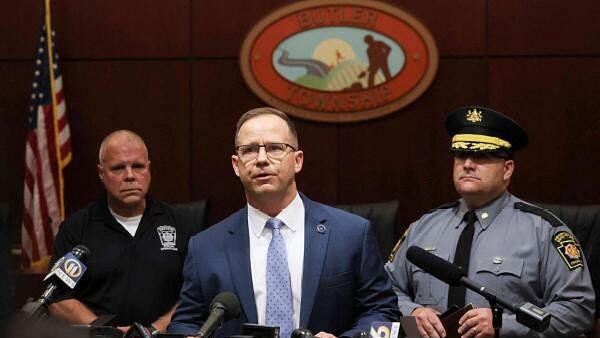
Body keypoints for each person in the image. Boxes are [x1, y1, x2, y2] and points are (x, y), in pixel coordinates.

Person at [168, 107, 400, 338]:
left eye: (275, 148)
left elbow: (383, 314)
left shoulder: (351, 234)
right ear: (236, 165)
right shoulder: (205, 247)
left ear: (297, 161)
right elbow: (185, 324)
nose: (261, 160)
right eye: (249, 150)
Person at [385, 106, 595, 338]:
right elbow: (384, 291)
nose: (467, 164)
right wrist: (411, 311)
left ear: (507, 169)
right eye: (460, 155)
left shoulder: (544, 231)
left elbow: (578, 309)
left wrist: (503, 326)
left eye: (482, 156)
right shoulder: (423, 227)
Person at [48, 130, 195, 334]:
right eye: (118, 168)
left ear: (149, 168)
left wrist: (154, 330)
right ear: (101, 173)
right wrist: (108, 332)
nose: (129, 176)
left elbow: (195, 292)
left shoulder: (180, 223)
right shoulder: (77, 228)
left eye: (138, 166)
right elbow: (58, 298)